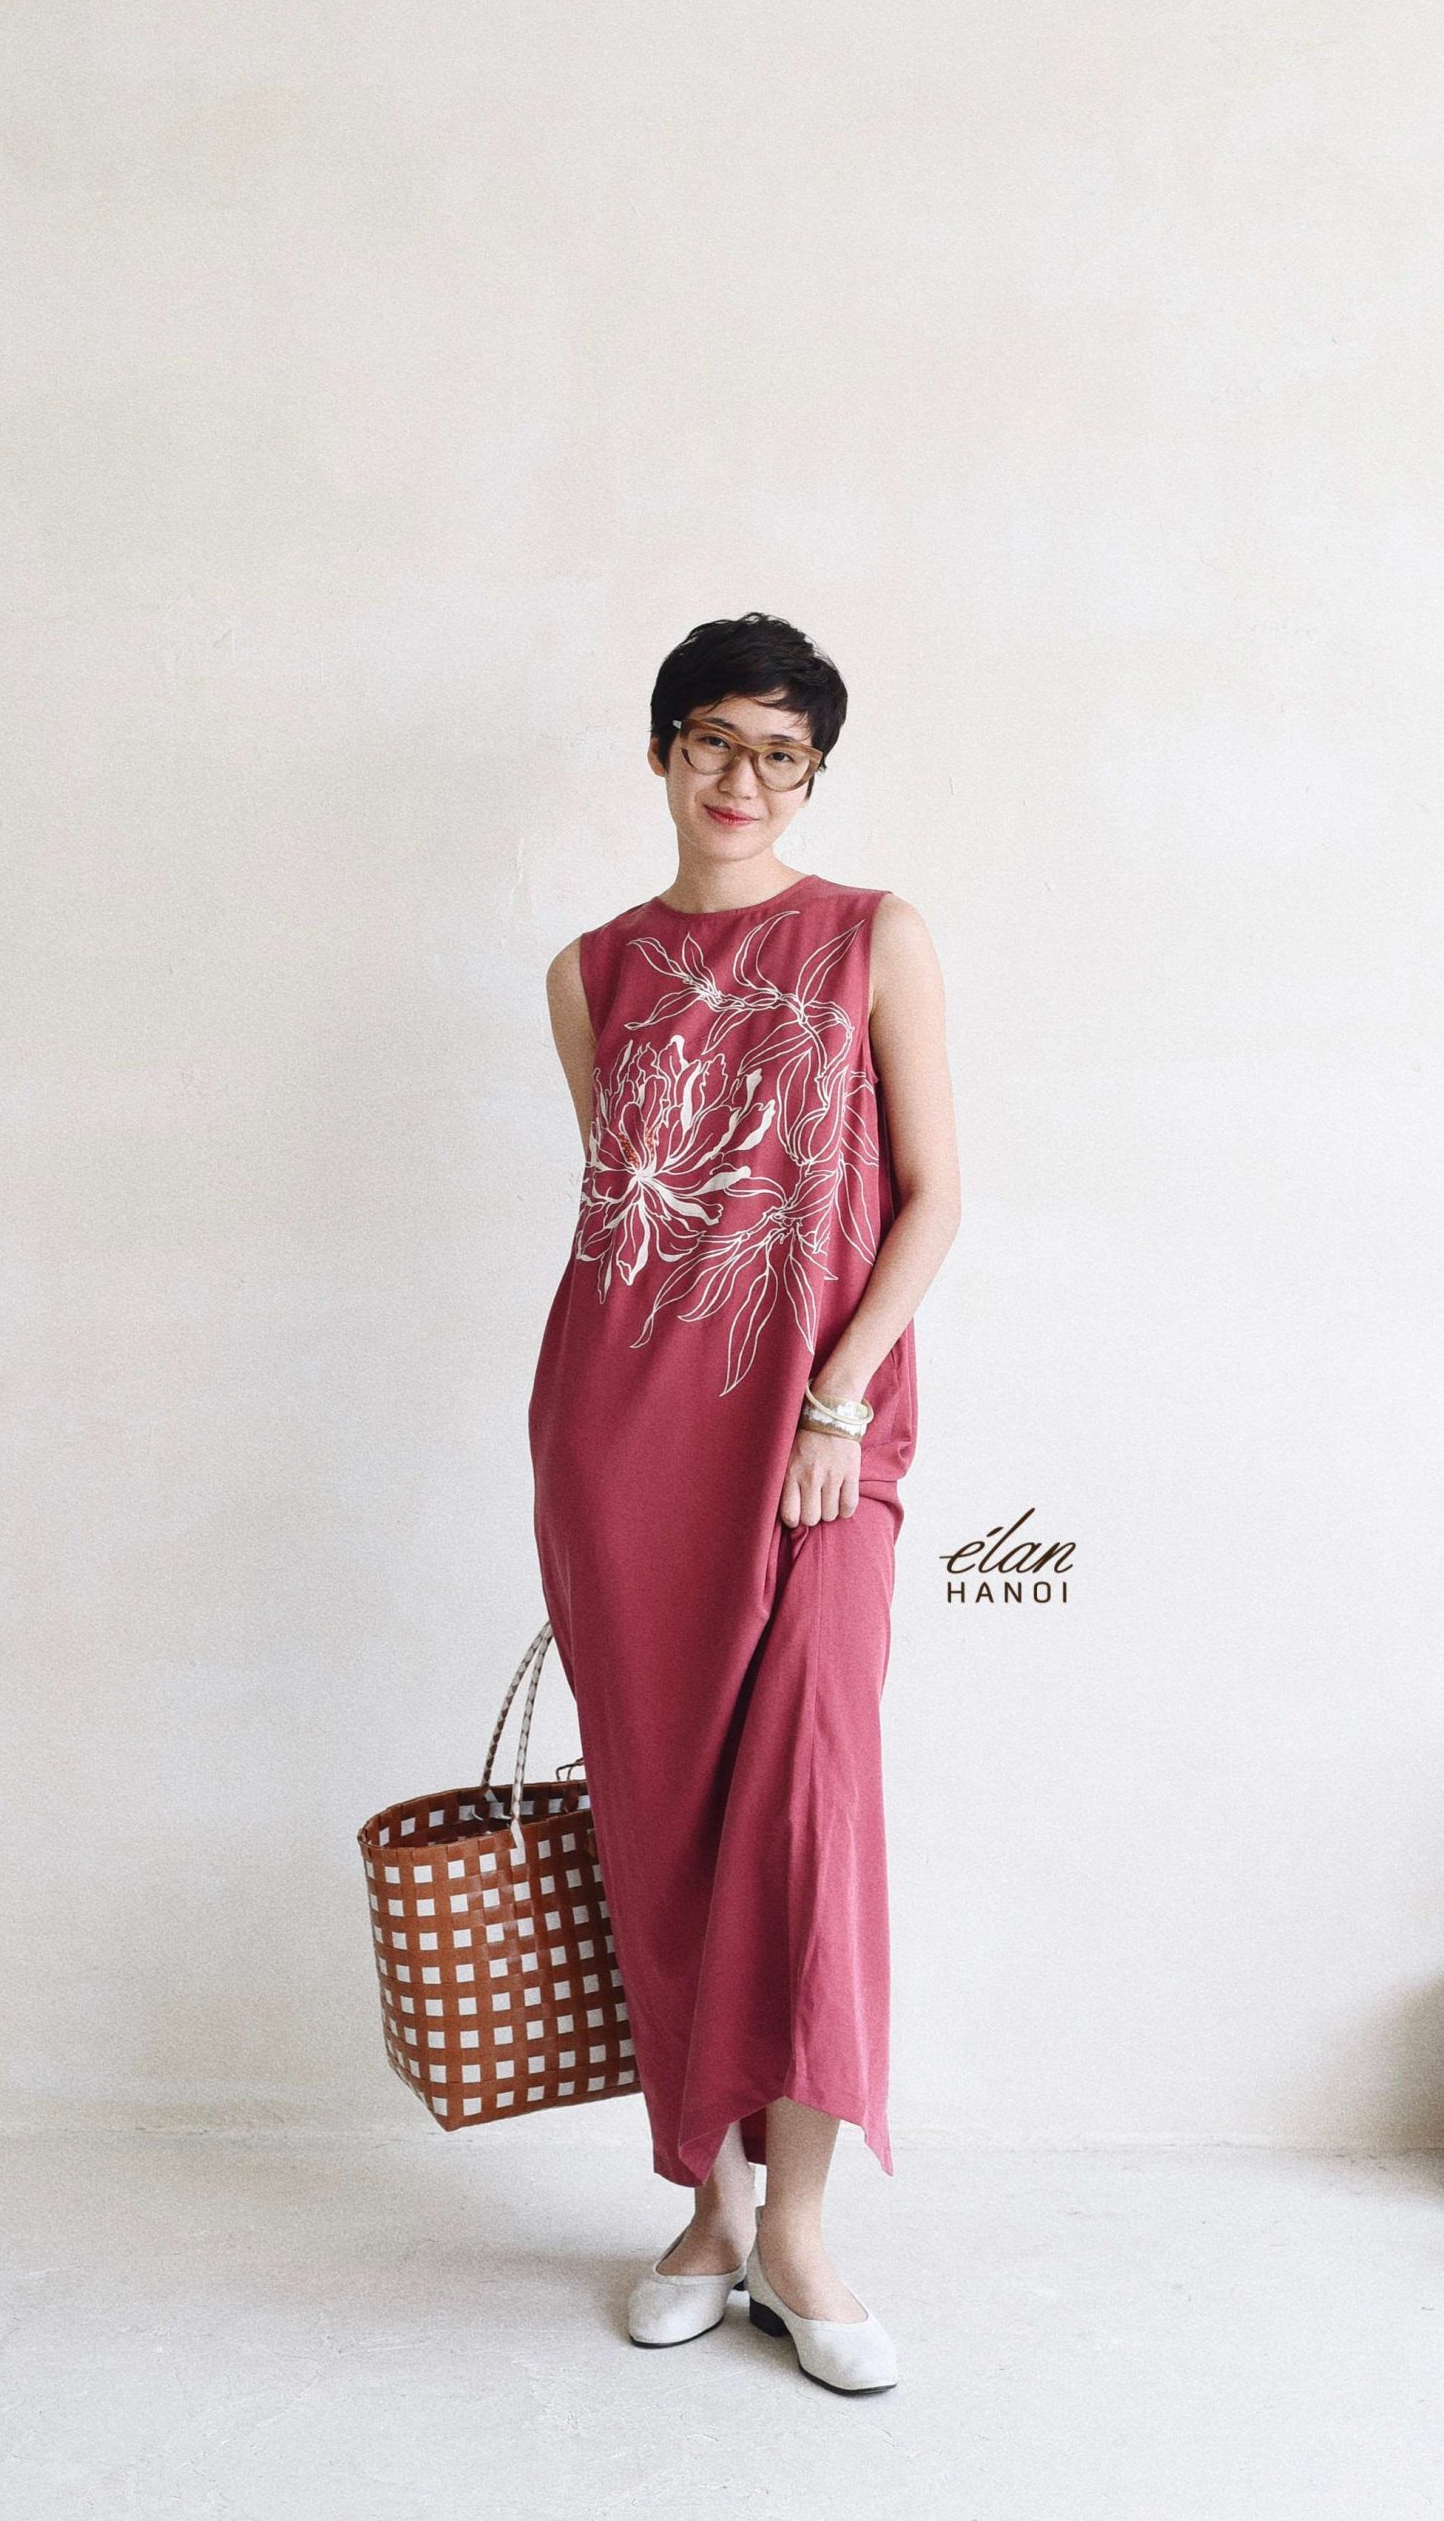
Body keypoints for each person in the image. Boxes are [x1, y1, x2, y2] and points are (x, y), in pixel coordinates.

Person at [527, 611, 960, 2391]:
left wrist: (836, 1400)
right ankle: (706, 2213)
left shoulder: (873, 936)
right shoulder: (591, 971)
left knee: (806, 1809)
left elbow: (933, 1197)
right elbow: (636, 1214)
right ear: (661, 751)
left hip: (827, 1441)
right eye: (713, 741)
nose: (743, 780)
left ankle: (799, 2230)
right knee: (663, 1818)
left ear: (814, 776)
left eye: (783, 754)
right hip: (624, 1442)